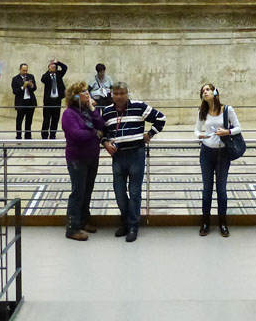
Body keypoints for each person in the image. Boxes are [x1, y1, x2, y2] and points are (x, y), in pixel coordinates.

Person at [102, 82, 166, 242]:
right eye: (116, 93)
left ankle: (132, 226)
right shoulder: (107, 111)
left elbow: (161, 118)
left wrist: (150, 134)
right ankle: (125, 221)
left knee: (135, 192)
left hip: (136, 154)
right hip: (118, 156)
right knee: (119, 193)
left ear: (127, 93)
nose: (119, 96)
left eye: (122, 93)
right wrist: (105, 142)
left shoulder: (139, 107)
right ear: (111, 94)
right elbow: (102, 131)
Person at [193, 83, 241, 237]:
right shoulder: (202, 111)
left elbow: (238, 128)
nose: (205, 92)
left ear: (215, 92)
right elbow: (196, 129)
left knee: (221, 189)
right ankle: (205, 222)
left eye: (208, 89)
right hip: (206, 151)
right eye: (203, 91)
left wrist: (227, 131)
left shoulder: (227, 109)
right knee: (207, 189)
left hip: (223, 153)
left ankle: (223, 222)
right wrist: (199, 135)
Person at [61, 81, 105, 241]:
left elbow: (101, 124)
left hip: (92, 156)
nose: (87, 94)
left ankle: (83, 220)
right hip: (77, 158)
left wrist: (93, 109)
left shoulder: (89, 111)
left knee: (87, 191)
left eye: (88, 91)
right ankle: (72, 228)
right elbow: (77, 135)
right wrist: (94, 133)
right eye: (83, 92)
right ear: (75, 96)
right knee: (78, 192)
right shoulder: (69, 114)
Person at [40, 59, 68, 139]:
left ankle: (53, 134)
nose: (53, 68)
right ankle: (44, 135)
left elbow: (65, 68)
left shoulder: (59, 74)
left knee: (55, 119)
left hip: (57, 100)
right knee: (46, 119)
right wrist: (48, 71)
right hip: (48, 101)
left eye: (54, 67)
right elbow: (43, 80)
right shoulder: (46, 76)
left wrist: (57, 62)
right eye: (51, 67)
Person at [11, 63, 38, 140]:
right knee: (19, 120)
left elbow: (34, 88)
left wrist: (31, 85)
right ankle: (18, 136)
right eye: (24, 70)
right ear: (20, 70)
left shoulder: (31, 76)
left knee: (29, 120)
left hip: (30, 101)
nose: (25, 72)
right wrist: (23, 87)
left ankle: (28, 136)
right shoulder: (15, 79)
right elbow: (15, 91)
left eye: (26, 70)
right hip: (21, 102)